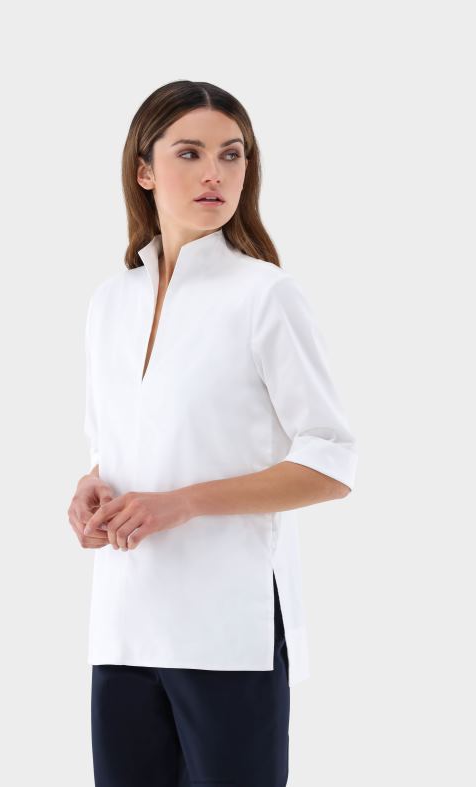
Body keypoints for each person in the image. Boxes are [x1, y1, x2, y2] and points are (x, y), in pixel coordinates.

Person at [68, 80, 358, 787]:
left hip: (228, 632)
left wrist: (184, 502)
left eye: (232, 155)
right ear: (144, 170)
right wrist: (89, 490)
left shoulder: (265, 295)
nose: (215, 174)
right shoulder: (110, 302)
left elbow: (331, 461)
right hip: (124, 627)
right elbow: (115, 445)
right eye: (190, 153)